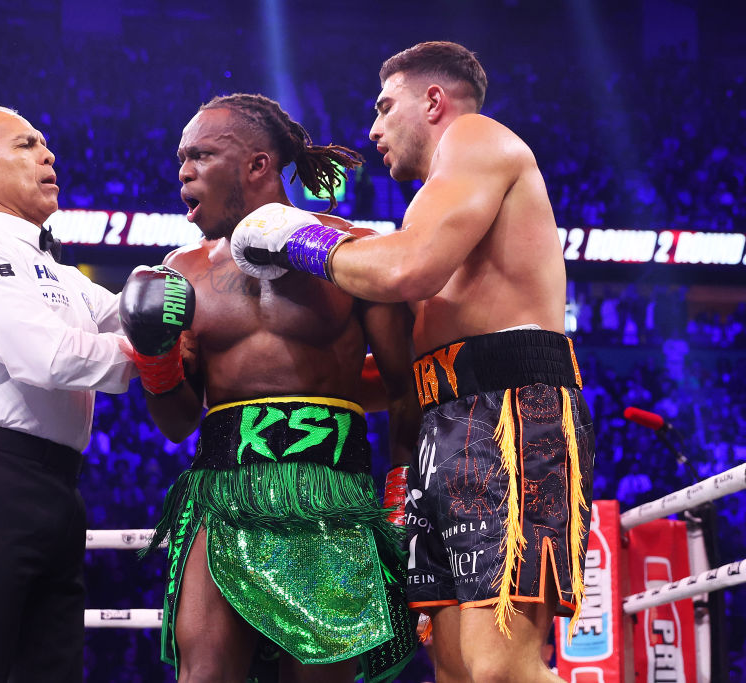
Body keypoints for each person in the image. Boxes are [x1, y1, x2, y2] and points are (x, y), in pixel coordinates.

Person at [229, 42, 595, 682]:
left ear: (433, 102)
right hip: (443, 425)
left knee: (499, 668)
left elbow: (404, 268)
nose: (371, 129)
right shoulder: (436, 206)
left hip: (510, 415)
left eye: (383, 106)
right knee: (453, 668)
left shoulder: (477, 137)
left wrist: (296, 236)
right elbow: (405, 366)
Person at [122, 93, 419, 683]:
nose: (184, 171)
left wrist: (400, 488)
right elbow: (179, 422)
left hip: (332, 493)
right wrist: (155, 360)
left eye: (201, 155)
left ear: (257, 165)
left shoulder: (350, 253)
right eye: (182, 158)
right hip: (222, 490)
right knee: (203, 672)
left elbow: (405, 387)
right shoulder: (181, 271)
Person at [0, 105, 137, 682]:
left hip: (57, 484)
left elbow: (135, 318)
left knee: (49, 669)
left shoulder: (60, 274)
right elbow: (51, 358)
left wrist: (206, 277)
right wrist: (154, 357)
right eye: (25, 144)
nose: (48, 154)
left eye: (45, 143)